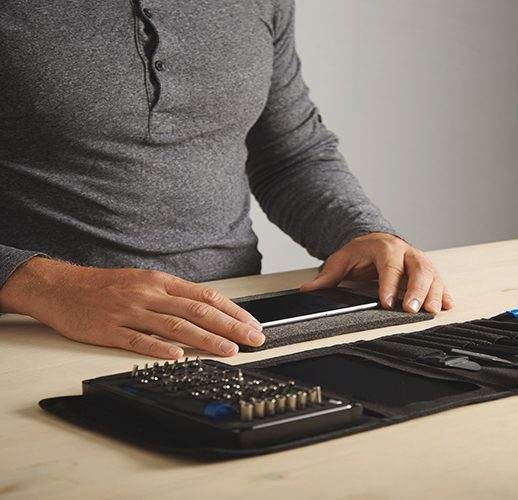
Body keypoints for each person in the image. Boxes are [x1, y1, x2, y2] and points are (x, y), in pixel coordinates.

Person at [0, 1, 452, 359]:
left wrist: (360, 231)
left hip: (241, 324)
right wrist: (45, 286)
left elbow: (290, 155)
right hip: (36, 338)